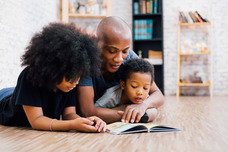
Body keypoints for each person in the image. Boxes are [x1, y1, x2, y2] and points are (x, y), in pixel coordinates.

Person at [0, 23, 106, 132]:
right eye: (72, 77)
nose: (76, 82)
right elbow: (36, 120)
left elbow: (69, 114)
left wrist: (87, 122)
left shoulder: (69, 85)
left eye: (79, 76)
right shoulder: (29, 76)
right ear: (55, 69)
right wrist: (72, 125)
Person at [76, 16, 165, 123]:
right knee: (150, 113)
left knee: (152, 111)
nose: (119, 59)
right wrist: (130, 113)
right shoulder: (86, 59)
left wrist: (142, 106)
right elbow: (86, 111)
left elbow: (158, 94)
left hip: (108, 113)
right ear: (96, 42)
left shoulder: (130, 57)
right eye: (112, 51)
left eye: (125, 51)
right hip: (99, 111)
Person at [95, 58, 158, 123]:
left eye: (145, 88)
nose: (140, 92)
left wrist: (142, 110)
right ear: (123, 85)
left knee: (153, 111)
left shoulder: (145, 98)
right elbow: (95, 110)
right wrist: (121, 109)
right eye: (134, 86)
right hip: (113, 118)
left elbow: (154, 111)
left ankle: (138, 117)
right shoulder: (111, 95)